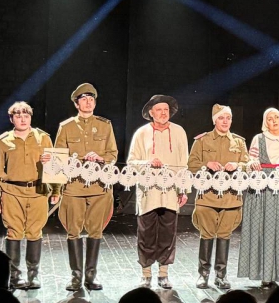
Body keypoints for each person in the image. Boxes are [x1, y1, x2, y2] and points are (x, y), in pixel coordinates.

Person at [52, 83, 119, 291]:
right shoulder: (66, 127)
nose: (88, 103)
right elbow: (57, 158)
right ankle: (75, 276)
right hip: (74, 187)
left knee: (95, 231)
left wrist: (100, 157)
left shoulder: (105, 125)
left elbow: (113, 154)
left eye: (91, 99)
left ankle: (91, 276)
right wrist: (56, 189)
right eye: (84, 99)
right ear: (76, 103)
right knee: (73, 231)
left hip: (99, 187)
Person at [0, 101, 54, 289]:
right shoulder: (3, 142)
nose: (23, 120)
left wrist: (55, 190)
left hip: (38, 191)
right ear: (12, 119)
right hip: (11, 193)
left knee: (35, 232)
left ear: (30, 117)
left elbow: (55, 167)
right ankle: (15, 276)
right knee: (13, 232)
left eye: (26, 116)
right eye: (18, 116)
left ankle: (33, 275)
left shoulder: (43, 138)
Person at [127, 95, 189, 289]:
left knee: (167, 234)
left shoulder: (178, 132)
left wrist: (183, 189)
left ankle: (163, 274)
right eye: (159, 109)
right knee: (146, 234)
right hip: (148, 193)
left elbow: (183, 163)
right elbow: (131, 162)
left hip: (170, 192)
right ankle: (146, 274)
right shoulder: (142, 133)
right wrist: (147, 162)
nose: (163, 113)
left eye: (166, 110)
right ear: (151, 113)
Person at [238, 107, 279, 288]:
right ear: (265, 121)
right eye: (269, 118)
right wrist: (253, 164)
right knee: (262, 229)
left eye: (276, 117)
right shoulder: (258, 139)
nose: (273, 121)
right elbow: (251, 160)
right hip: (262, 188)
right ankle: (264, 275)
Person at [187, 103, 249, 289]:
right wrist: (206, 164)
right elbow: (191, 164)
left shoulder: (239, 142)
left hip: (231, 198)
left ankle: (221, 275)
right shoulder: (202, 140)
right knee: (206, 234)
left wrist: (237, 165)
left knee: (224, 235)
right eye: (221, 118)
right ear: (214, 120)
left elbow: (247, 164)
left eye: (228, 118)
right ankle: (203, 274)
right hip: (207, 197)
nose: (225, 121)